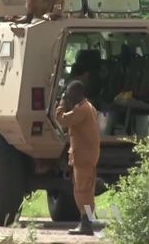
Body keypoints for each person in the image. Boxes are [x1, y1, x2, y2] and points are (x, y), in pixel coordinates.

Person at [55, 80, 100, 236]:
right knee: (82, 190)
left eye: (69, 93)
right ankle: (85, 221)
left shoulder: (82, 110)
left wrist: (61, 103)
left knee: (84, 191)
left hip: (84, 157)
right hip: (83, 156)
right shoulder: (87, 107)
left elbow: (62, 119)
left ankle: (87, 223)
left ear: (76, 94)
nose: (67, 96)